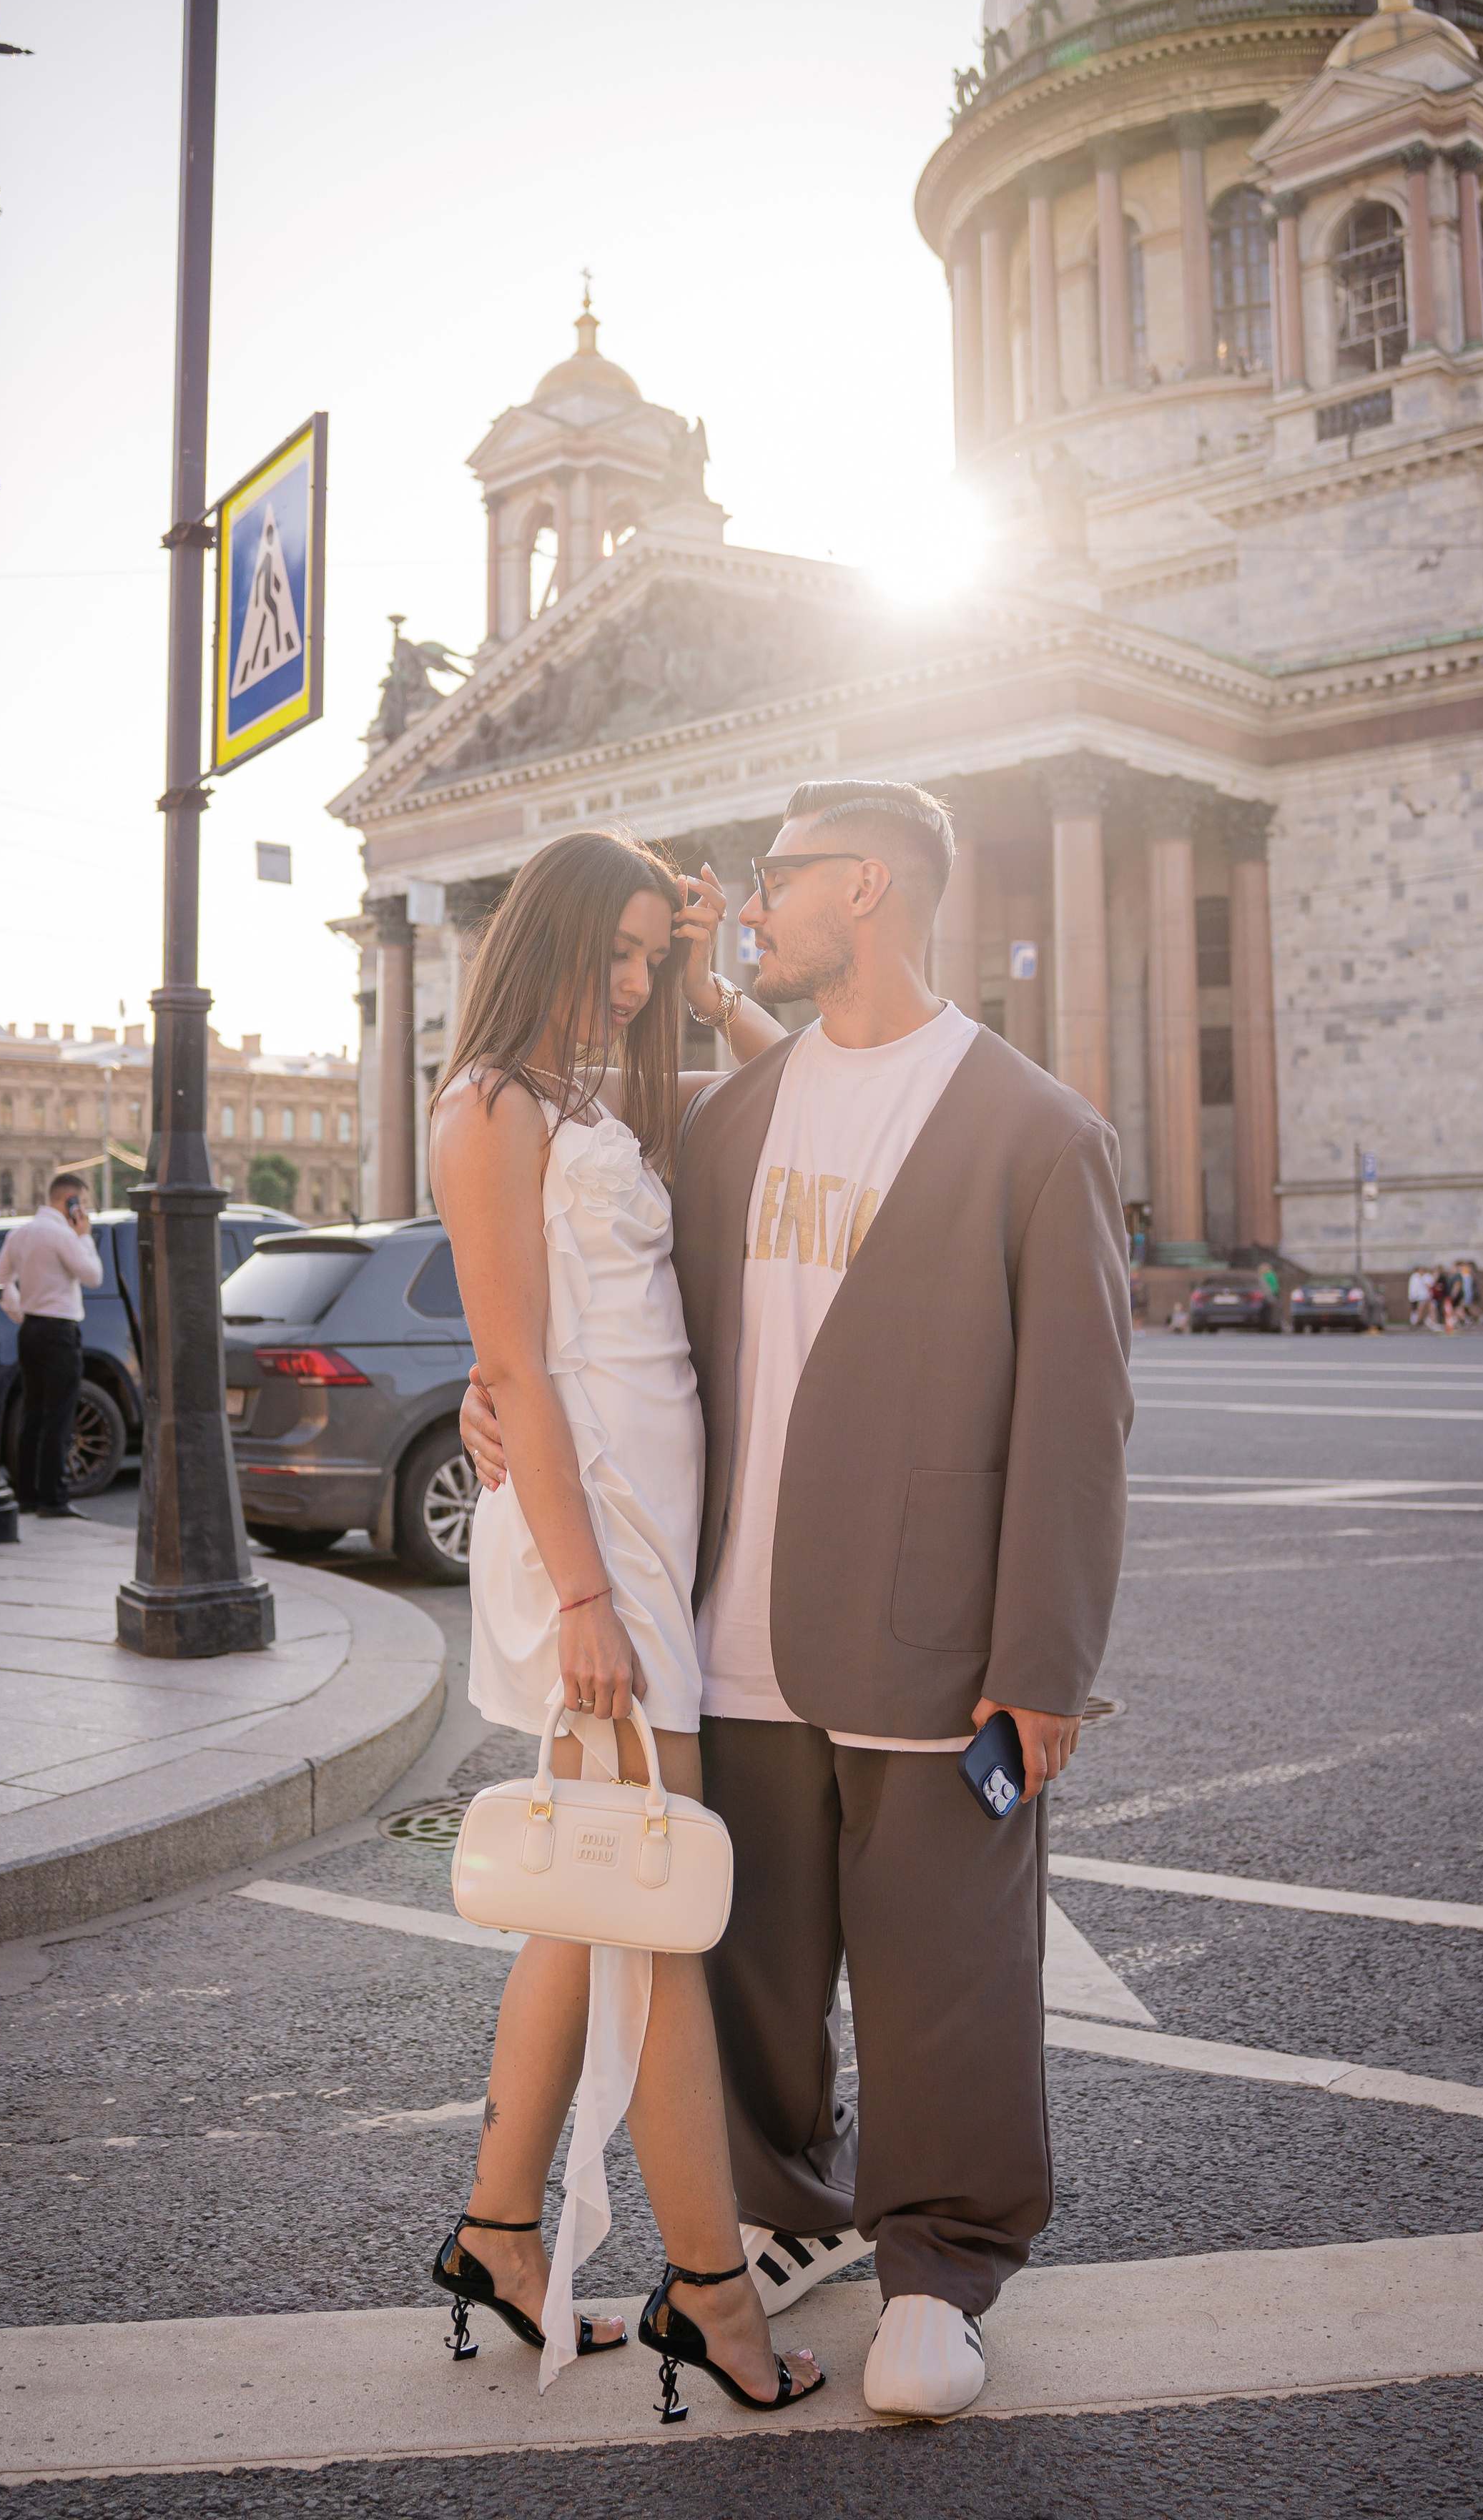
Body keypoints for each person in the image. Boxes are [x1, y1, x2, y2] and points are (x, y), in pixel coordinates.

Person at [465, 779, 1133, 2420]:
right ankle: (775, 2217)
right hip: (716, 1625)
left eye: (773, 881)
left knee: (943, 1975)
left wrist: (1041, 1666)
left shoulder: (1033, 1128)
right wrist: (500, 1401)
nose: (741, 905)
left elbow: (1075, 1421)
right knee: (743, 1961)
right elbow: (582, 1278)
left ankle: (942, 2266)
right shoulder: (719, 1118)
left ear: (870, 888)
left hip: (927, 1644)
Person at [425, 829, 822, 2420]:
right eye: (627, 953)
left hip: (646, 1525)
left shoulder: (590, 1096)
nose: (642, 982)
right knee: (654, 1901)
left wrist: (717, 981)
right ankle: (710, 2291)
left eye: (662, 955)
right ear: (556, 939)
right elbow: (516, 1360)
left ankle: (499, 2236)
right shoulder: (487, 1106)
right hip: (594, 1539)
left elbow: (793, 1086)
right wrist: (583, 1593)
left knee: (594, 1901)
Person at [0, 1170, 103, 1516]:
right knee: (59, 1416)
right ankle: (53, 1499)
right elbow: (93, 1277)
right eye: (81, 1203)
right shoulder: (63, 1235)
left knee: (34, 1414)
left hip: (31, 1331)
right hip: (59, 1332)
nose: (82, 1211)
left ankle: (26, 1496)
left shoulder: (20, 1233)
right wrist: (85, 1237)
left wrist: (19, 1312)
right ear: (68, 1201)